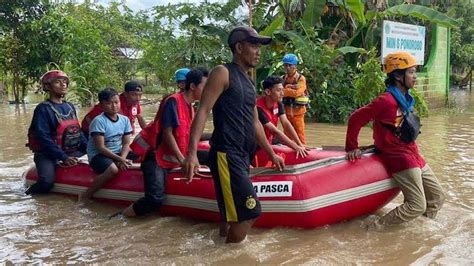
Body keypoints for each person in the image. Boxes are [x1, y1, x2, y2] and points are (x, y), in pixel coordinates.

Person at [182, 26, 285, 243]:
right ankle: (230, 256)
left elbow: (255, 121)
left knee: (229, 217)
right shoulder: (222, 72)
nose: (258, 51)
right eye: (254, 45)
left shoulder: (249, 80)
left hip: (242, 154)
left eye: (259, 46)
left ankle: (219, 251)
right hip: (227, 154)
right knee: (251, 212)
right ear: (239, 47)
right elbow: (203, 111)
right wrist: (191, 153)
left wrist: (271, 153)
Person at [345, 51, 445, 230]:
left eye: (415, 72)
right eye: (412, 72)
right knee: (416, 205)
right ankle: (374, 228)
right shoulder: (386, 101)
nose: (415, 77)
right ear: (398, 75)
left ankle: (418, 231)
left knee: (437, 197)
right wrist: (351, 147)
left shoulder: (406, 99)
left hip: (412, 152)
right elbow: (355, 118)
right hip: (398, 157)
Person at [121, 68, 208, 217]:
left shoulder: (191, 108)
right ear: (193, 86)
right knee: (155, 199)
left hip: (176, 155)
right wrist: (183, 161)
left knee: (213, 155)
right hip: (157, 158)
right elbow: (167, 134)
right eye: (205, 86)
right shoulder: (173, 101)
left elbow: (190, 135)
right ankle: (122, 216)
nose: (208, 90)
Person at [26, 70, 87, 195]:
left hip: (70, 150)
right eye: (58, 82)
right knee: (47, 182)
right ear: (48, 87)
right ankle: (26, 196)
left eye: (65, 82)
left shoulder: (69, 106)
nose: (63, 85)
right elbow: (43, 138)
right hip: (48, 154)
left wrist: (91, 149)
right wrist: (63, 157)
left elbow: (78, 132)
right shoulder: (43, 109)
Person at [79, 88, 133, 202]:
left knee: (142, 155)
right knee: (113, 170)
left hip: (117, 153)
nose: (114, 106)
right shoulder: (98, 121)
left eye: (116, 102)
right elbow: (100, 148)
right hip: (98, 155)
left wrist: (122, 158)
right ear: (102, 105)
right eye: (109, 103)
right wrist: (119, 159)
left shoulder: (125, 120)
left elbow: (126, 143)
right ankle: (86, 195)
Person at [256, 75, 308, 163]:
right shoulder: (258, 108)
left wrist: (299, 144)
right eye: (279, 90)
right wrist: (295, 147)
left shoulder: (278, 103)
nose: (282, 93)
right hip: (257, 142)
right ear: (268, 91)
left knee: (292, 142)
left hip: (270, 138)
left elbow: (286, 123)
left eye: (282, 90)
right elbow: (274, 131)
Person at [81, 80, 146, 136]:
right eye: (134, 95)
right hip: (92, 133)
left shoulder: (134, 103)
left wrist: (148, 132)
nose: (138, 98)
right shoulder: (115, 104)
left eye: (140, 95)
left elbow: (139, 117)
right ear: (125, 94)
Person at [281, 53, 308, 144]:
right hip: (286, 112)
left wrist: (286, 89)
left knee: (300, 134)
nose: (287, 67)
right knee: (287, 135)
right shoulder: (283, 78)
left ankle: (302, 150)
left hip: (298, 113)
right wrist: (290, 88)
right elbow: (279, 93)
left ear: (295, 66)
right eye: (285, 65)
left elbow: (297, 93)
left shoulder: (301, 79)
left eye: (289, 65)